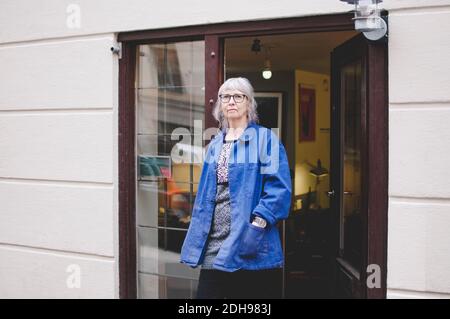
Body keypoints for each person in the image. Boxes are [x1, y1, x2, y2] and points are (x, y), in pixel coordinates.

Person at [180, 77, 292, 299]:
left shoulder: (265, 140)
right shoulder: (215, 144)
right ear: (219, 104)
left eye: (238, 96)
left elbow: (280, 191)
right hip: (214, 243)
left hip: (247, 244)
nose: (231, 101)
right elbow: (208, 195)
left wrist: (256, 227)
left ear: (249, 103)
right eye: (225, 96)